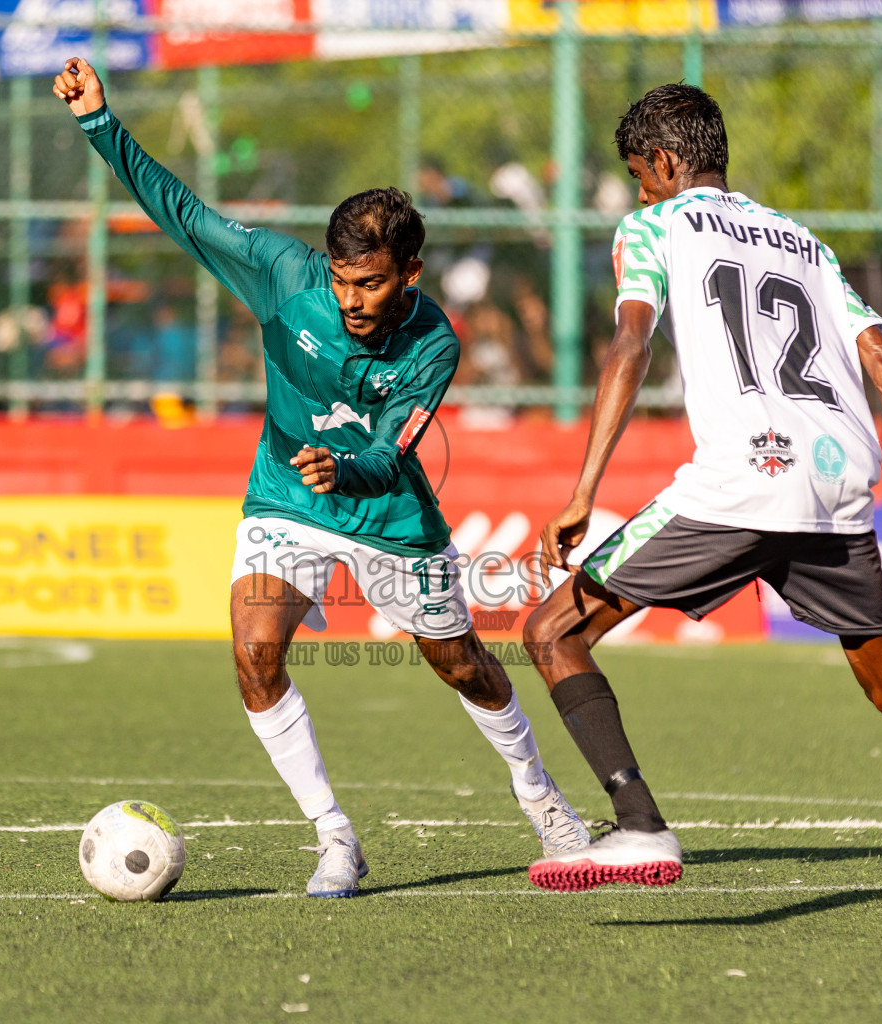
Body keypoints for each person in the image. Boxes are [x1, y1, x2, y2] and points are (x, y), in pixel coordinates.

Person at [520, 84, 882, 924]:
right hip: (838, 487)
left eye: (641, 175)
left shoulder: (655, 225)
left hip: (742, 481)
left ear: (666, 163)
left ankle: (640, 824)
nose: (641, 190)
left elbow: (630, 343)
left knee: (552, 630)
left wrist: (583, 491)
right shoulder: (805, 243)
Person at [53, 58, 589, 898]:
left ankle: (543, 800)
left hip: (385, 514)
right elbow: (184, 214)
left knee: (459, 663)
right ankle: (335, 838)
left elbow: (392, 454)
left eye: (370, 284)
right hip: (286, 496)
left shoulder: (434, 343)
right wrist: (99, 123)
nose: (349, 299)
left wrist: (344, 466)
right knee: (254, 652)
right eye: (341, 281)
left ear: (410, 275)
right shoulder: (281, 275)